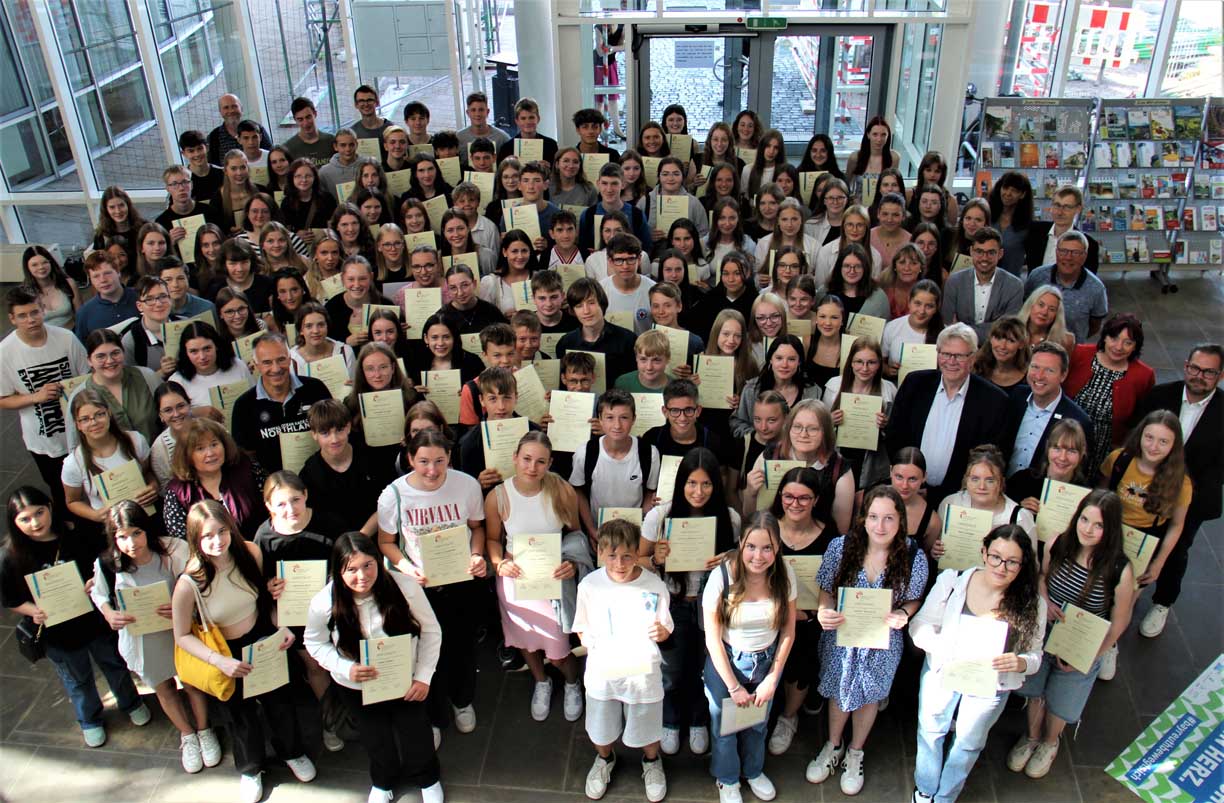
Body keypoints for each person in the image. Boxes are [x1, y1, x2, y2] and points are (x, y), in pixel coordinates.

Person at [171, 500, 316, 803]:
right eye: (207, 536)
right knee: (241, 714)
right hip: (226, 652)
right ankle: (251, 767)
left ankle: (292, 752)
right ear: (195, 540)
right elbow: (182, 635)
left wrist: (281, 626)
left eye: (222, 531)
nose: (217, 541)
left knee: (280, 702)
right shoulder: (190, 582)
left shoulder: (250, 553)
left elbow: (263, 601)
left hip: (262, 639)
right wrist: (220, 661)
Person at [2, 486, 150, 747]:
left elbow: (102, 564)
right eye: (25, 518)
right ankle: (90, 719)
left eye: (39, 512)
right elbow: (10, 599)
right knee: (77, 679)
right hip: (57, 632)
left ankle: (131, 702)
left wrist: (95, 582)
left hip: (94, 621)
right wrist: (32, 611)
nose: (35, 522)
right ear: (13, 522)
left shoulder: (74, 535)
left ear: (49, 507)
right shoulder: (10, 556)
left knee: (114, 664)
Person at [910, 524, 1046, 803]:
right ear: (984, 553)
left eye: (1012, 562)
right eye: (996, 557)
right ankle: (925, 789)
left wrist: (1019, 662)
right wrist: (943, 646)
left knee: (968, 743)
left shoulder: (1032, 603)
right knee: (930, 730)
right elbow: (919, 626)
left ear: (1022, 565)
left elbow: (1035, 655)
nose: (1001, 567)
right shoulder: (953, 580)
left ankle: (945, 795)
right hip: (944, 669)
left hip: (990, 684)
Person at [304, 532, 444, 803]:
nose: (362, 576)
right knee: (375, 736)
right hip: (357, 687)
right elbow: (314, 641)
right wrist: (344, 668)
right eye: (351, 569)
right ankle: (383, 780)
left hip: (406, 679)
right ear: (339, 571)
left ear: (379, 562)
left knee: (415, 731)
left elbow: (431, 630)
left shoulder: (404, 587)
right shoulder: (324, 602)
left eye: (368, 565)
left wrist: (424, 676)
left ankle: (427, 778)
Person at [808, 486, 927, 795]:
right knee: (838, 690)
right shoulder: (841, 547)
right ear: (863, 518)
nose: (880, 526)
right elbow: (825, 589)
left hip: (882, 642)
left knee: (870, 695)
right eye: (873, 517)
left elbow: (914, 599)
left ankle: (855, 751)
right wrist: (824, 610)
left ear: (901, 520)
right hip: (843, 638)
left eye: (889, 518)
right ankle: (833, 744)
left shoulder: (913, 556)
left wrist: (903, 612)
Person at [1008, 491, 1133, 779]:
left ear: (1110, 529)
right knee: (1035, 689)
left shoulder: (1119, 570)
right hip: (1045, 634)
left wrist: (1088, 656)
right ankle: (1031, 736)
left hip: (1082, 645)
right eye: (1084, 519)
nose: (1087, 529)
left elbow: (1119, 621)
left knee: (1062, 701)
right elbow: (1041, 578)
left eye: (1098, 525)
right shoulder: (1058, 543)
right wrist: (1046, 602)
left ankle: (1050, 742)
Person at [93, 501, 219, 772]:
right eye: (122, 536)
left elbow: (202, 582)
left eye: (136, 533)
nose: (131, 543)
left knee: (192, 683)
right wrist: (108, 613)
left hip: (179, 632)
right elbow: (99, 594)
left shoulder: (174, 550)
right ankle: (187, 733)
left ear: (147, 530)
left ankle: (204, 729)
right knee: (163, 687)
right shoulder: (107, 564)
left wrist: (180, 603)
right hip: (143, 640)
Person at [377, 430, 487, 736]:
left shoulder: (466, 485)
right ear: (410, 459)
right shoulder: (394, 495)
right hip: (419, 587)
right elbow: (386, 542)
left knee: (461, 646)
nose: (432, 470)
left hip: (459, 581)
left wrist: (477, 555)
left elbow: (476, 528)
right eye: (423, 461)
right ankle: (434, 714)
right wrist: (406, 568)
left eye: (440, 460)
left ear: (449, 457)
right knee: (425, 650)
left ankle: (462, 700)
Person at [639, 448, 741, 756]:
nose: (698, 492)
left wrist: (731, 558)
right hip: (674, 603)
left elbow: (745, 560)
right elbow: (639, 559)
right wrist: (655, 558)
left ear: (716, 485)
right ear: (681, 483)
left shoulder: (730, 518)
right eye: (692, 483)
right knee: (670, 670)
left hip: (712, 606)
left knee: (704, 667)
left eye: (706, 484)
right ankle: (670, 719)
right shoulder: (660, 515)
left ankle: (698, 719)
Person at [486, 432, 585, 720]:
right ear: (515, 458)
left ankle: (571, 682)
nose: (532, 467)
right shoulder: (498, 496)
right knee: (525, 639)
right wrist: (497, 563)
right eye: (526, 459)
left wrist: (573, 565)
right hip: (516, 577)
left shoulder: (561, 490)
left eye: (540, 461)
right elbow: (493, 539)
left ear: (550, 463)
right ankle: (541, 681)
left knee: (558, 649)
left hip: (553, 577)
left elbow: (576, 537)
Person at [702, 510, 796, 803]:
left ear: (777, 548)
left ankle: (753, 771)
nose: (758, 556)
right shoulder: (722, 578)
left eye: (767, 548)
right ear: (741, 543)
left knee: (757, 724)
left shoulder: (784, 575)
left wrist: (772, 678)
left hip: (765, 661)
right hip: (727, 660)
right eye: (751, 547)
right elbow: (712, 637)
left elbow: (788, 631)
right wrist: (733, 686)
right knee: (724, 728)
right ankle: (727, 778)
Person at [1129, 344, 1222, 638]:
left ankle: (1163, 601)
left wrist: (1186, 489)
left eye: (1209, 372)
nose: (1200, 376)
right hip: (1145, 490)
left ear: (1219, 376)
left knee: (1176, 551)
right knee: (1136, 544)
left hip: (1192, 496)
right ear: (1185, 366)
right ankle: (1127, 595)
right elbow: (1137, 436)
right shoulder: (1159, 396)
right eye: (1195, 368)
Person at [1098, 410, 1192, 676]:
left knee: (1125, 599)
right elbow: (1103, 490)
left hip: (1144, 542)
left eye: (1163, 441)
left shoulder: (1180, 483)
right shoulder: (1119, 460)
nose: (1154, 446)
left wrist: (1160, 562)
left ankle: (1109, 645)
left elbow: (1176, 525)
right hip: (1111, 530)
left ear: (1174, 446)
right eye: (1149, 437)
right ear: (1140, 435)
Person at [886, 323, 1009, 502]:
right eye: (945, 354)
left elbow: (990, 459)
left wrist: (941, 494)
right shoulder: (915, 384)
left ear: (973, 358)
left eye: (959, 356)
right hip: (910, 493)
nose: (951, 361)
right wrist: (912, 482)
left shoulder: (994, 401)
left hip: (960, 498)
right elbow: (895, 437)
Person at [0, 285, 90, 521]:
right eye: (22, 315)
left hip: (82, 429)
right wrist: (35, 397)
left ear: (42, 310)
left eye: (35, 312)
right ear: (12, 318)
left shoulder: (66, 338)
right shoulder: (5, 353)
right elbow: (3, 400)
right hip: (43, 439)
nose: (30, 320)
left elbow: (89, 376)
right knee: (59, 490)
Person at [764, 467, 831, 757]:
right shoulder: (767, 528)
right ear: (780, 496)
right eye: (789, 496)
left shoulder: (829, 537)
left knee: (803, 647)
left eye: (804, 498)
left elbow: (832, 586)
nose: (795, 503)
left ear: (816, 500)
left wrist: (810, 614)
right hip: (766, 612)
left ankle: (788, 716)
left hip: (807, 618)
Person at [1063, 312, 1156, 470]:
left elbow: (1140, 420)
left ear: (1135, 346)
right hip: (1066, 440)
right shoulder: (1078, 354)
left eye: (1128, 342)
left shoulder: (1144, 375)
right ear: (1104, 337)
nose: (1119, 347)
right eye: (1114, 338)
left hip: (1104, 450)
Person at [231, 333, 332, 473]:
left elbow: (335, 430)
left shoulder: (315, 389)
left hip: (320, 476)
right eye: (267, 362)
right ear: (256, 365)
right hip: (276, 485)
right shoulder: (243, 406)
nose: (276, 368)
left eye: (281, 360)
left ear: (290, 359)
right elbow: (245, 455)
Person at [1002, 342, 1095, 486]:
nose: (1039, 376)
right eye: (1035, 367)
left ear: (1063, 375)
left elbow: (1077, 476)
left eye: (1049, 370)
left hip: (1038, 500)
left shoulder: (1078, 421)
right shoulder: (1015, 397)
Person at [571, 390, 661, 538]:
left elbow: (650, 493)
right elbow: (578, 492)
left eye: (624, 418)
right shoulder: (586, 453)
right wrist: (592, 530)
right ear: (600, 419)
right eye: (610, 418)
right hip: (598, 531)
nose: (617, 425)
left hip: (635, 532)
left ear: (634, 419)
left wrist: (643, 524)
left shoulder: (649, 454)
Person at [163, 416, 266, 536]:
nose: (210, 453)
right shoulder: (177, 492)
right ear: (187, 455)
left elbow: (272, 509)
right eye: (200, 448)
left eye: (214, 444)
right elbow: (182, 539)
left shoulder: (247, 468)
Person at [934, 445, 1037, 559]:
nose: (982, 486)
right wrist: (935, 551)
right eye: (975, 479)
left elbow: (1032, 566)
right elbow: (937, 549)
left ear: (1001, 482)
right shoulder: (951, 503)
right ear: (966, 479)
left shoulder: (1020, 517)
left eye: (990, 480)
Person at [824, 337, 897, 490]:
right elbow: (819, 427)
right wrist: (829, 421)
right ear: (850, 362)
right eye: (859, 362)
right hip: (837, 458)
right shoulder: (833, 386)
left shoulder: (889, 391)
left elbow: (895, 435)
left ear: (879, 364)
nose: (864, 368)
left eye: (871, 362)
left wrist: (885, 426)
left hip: (871, 464)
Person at [1023, 231, 1109, 344]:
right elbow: (1025, 310)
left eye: (1075, 253)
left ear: (1084, 256)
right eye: (1063, 251)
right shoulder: (1037, 276)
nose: (1068, 257)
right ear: (1056, 252)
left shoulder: (1096, 288)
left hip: (1072, 352)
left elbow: (1095, 326)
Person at [731, 334, 821, 439]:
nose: (784, 365)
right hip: (759, 451)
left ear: (799, 362)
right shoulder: (751, 389)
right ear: (770, 360)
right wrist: (757, 436)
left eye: (791, 359)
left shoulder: (813, 392)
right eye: (779, 358)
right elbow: (736, 422)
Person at [942, 228, 1024, 342]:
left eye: (991, 252)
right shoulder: (954, 282)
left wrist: (963, 329)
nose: (984, 258)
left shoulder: (1015, 286)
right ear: (971, 251)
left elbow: (1008, 329)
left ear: (1000, 254)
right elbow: (949, 326)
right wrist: (993, 326)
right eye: (979, 251)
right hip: (960, 347)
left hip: (997, 349)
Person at [168, 320, 253, 411]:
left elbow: (254, 398)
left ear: (216, 346)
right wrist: (195, 412)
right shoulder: (177, 381)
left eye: (207, 348)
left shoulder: (237, 366)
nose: (202, 357)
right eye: (194, 351)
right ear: (185, 353)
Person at [1022, 185, 1100, 274]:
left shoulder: (1089, 244)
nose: (1060, 212)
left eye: (1067, 207)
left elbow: (1088, 281)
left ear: (1078, 209)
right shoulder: (1034, 232)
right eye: (1057, 205)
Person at [881, 280, 943, 376]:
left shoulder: (945, 334)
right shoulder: (892, 327)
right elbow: (879, 362)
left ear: (937, 307)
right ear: (909, 301)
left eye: (929, 306)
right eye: (917, 303)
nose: (922, 311)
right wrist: (888, 370)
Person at [75, 251, 140, 340]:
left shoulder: (141, 297)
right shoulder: (84, 314)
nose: (103, 280)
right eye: (96, 276)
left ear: (118, 272)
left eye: (107, 273)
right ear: (91, 280)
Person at [891, 448, 943, 546]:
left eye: (912, 479)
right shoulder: (866, 499)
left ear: (924, 477)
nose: (904, 485)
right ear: (890, 471)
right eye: (899, 477)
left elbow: (925, 556)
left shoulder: (932, 522)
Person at [22, 246, 81, 330]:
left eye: (45, 262)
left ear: (51, 263)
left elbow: (81, 314)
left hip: (72, 334)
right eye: (34, 265)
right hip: (44, 340)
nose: (41, 267)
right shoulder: (24, 293)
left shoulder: (69, 284)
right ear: (28, 268)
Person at [207, 94, 272, 166]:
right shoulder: (214, 137)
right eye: (226, 108)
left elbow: (271, 156)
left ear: (241, 108)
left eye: (234, 106)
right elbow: (212, 165)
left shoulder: (257, 129)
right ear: (220, 112)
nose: (231, 111)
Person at [972, 316, 1031, 391]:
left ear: (1021, 344)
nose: (1002, 346)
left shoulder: (1030, 377)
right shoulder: (977, 368)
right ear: (990, 339)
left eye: (1011, 341)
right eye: (998, 338)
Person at [496, 97, 560, 165]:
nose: (528, 122)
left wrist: (549, 169)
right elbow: (500, 174)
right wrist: (506, 165)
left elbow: (557, 173)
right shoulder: (506, 148)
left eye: (531, 117)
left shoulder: (551, 145)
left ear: (538, 119)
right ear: (517, 121)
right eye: (523, 118)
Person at [844, 116, 900, 188]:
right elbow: (846, 185)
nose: (879, 139)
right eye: (875, 134)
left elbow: (894, 187)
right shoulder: (855, 157)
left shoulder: (894, 158)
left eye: (883, 135)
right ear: (868, 135)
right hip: (859, 199)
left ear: (888, 136)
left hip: (883, 199)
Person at [1017, 285, 1075, 352]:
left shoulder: (1065, 341)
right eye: (1041, 305)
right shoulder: (1011, 330)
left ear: (1056, 315)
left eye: (1052, 309)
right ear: (1031, 305)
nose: (1044, 312)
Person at [283, 97, 336, 167]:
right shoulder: (288, 148)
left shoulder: (331, 141)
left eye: (308, 117)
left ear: (315, 114)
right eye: (300, 119)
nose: (306, 123)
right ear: (294, 119)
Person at [457, 91, 510, 158]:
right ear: (468, 113)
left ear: (487, 112)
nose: (477, 114)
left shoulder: (502, 138)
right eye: (473, 110)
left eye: (481, 110)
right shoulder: (459, 138)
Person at [179, 129, 225, 202]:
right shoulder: (181, 181)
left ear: (207, 148)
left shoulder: (223, 173)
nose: (197, 154)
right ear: (184, 154)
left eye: (200, 148)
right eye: (191, 151)